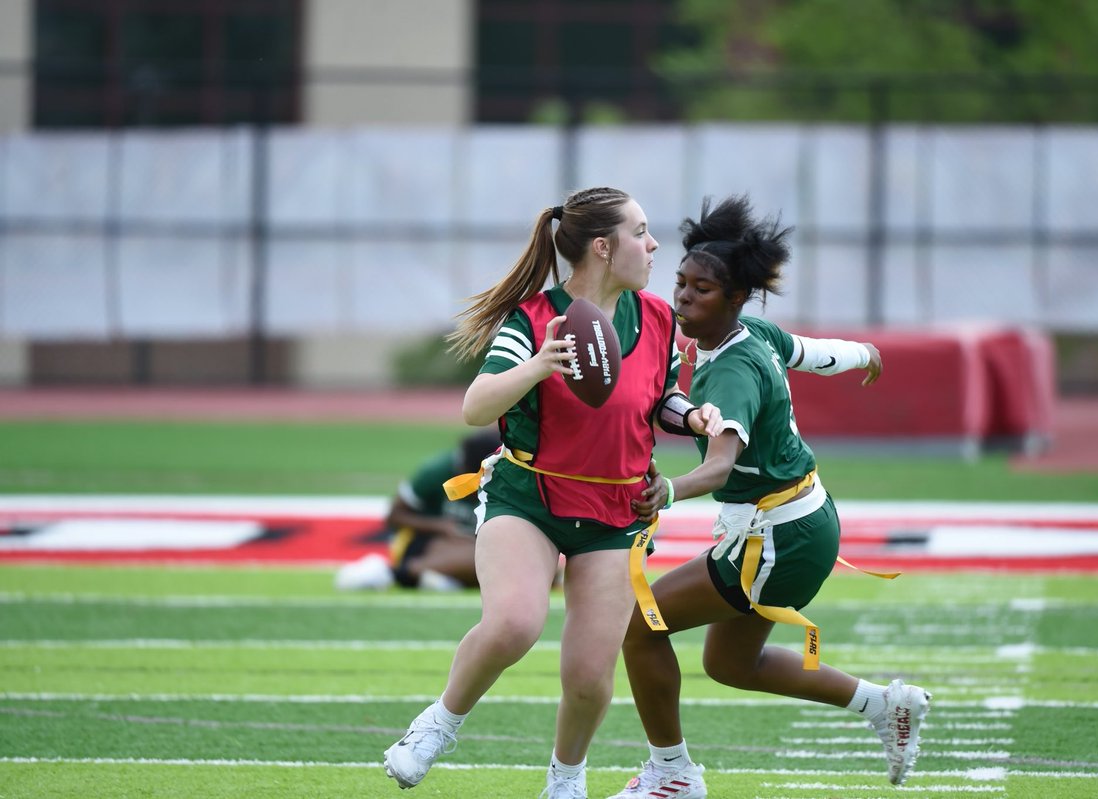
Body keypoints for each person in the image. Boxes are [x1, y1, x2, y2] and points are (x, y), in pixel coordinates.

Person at [382, 187, 723, 799]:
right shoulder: (534, 318)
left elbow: (660, 399)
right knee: (514, 622)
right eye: (640, 231)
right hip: (528, 498)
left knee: (590, 676)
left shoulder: (658, 318)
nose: (652, 245)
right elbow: (474, 407)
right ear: (602, 246)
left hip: (617, 511)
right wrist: (540, 363)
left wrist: (693, 417)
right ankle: (435, 726)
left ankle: (565, 781)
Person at [607, 195, 931, 799]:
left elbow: (722, 463)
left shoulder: (728, 369)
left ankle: (672, 776)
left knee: (637, 623)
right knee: (730, 665)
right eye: (680, 282)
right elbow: (811, 352)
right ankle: (886, 706)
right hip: (800, 523)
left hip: (776, 537)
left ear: (735, 298)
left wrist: (668, 491)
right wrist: (866, 355)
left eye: (700, 289)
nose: (682, 296)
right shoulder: (751, 330)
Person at [333, 428, 501, 592]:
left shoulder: (505, 475)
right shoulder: (437, 470)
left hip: (472, 544)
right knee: (487, 558)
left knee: (498, 556)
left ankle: (441, 578)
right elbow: (395, 516)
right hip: (428, 544)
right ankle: (395, 573)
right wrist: (441, 526)